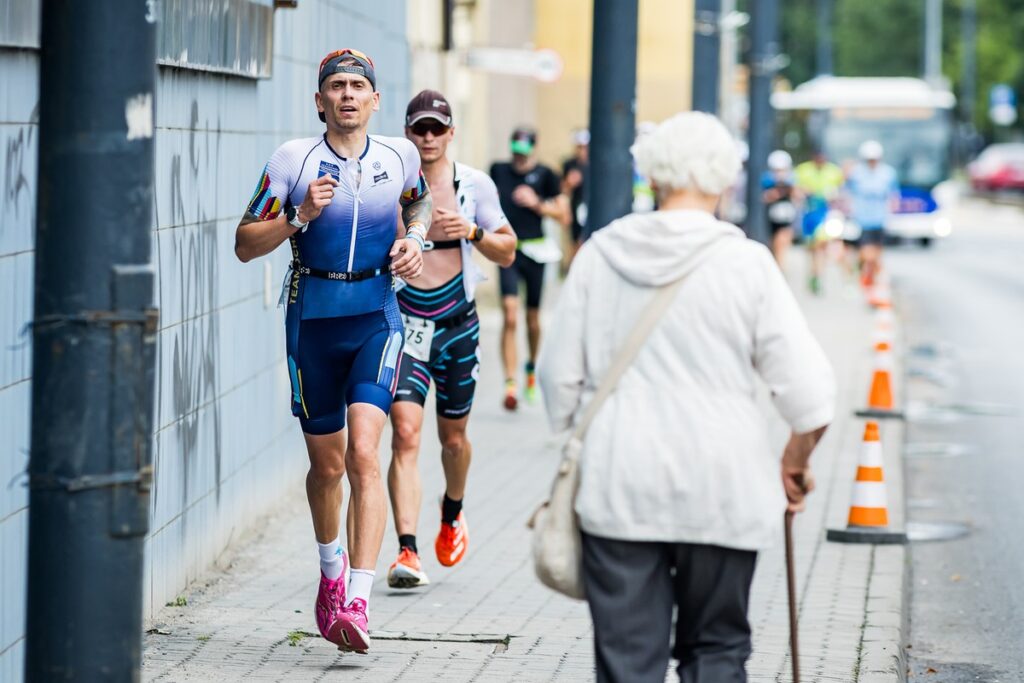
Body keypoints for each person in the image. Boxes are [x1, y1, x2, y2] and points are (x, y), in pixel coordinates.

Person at [537, 111, 835, 683]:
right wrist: (794, 461)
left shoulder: (601, 254)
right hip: (722, 485)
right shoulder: (746, 263)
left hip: (619, 482)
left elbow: (558, 382)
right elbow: (811, 392)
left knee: (627, 661)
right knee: (717, 651)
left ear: (651, 174)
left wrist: (580, 428)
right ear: (725, 180)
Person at [234, 48, 432, 654]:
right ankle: (330, 574)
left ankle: (357, 600)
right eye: (336, 87)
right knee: (327, 466)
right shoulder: (293, 161)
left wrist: (417, 238)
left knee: (366, 453)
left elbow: (418, 199)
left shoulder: (398, 155)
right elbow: (245, 243)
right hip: (313, 320)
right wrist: (298, 216)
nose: (348, 95)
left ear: (375, 101)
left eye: (358, 86)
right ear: (319, 101)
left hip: (377, 315)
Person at [386, 90, 517, 588]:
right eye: (419, 129)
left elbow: (508, 251)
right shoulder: (393, 183)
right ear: (407, 132)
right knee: (405, 433)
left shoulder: (473, 185)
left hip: (458, 324)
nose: (428, 138)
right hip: (407, 320)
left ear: (450, 133)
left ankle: (452, 510)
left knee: (454, 439)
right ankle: (407, 550)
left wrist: (472, 232)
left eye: (436, 129)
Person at [490, 127, 569, 410]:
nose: (518, 158)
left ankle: (531, 369)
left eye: (524, 153)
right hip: (508, 250)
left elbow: (563, 214)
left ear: (533, 150)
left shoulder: (546, 175)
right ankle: (510, 384)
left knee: (532, 320)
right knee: (510, 315)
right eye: (515, 151)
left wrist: (537, 204)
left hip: (536, 251)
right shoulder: (498, 170)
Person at [845, 140, 899, 287]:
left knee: (877, 254)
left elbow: (894, 195)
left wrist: (893, 212)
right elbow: (846, 192)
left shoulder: (888, 173)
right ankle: (867, 276)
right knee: (866, 254)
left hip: (880, 219)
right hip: (862, 220)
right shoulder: (856, 173)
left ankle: (873, 282)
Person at [794, 149, 845, 294]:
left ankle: (818, 276)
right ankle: (813, 274)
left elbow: (842, 190)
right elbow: (796, 190)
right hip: (808, 214)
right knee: (811, 249)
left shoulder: (834, 171)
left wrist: (834, 195)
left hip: (825, 213)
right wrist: (803, 191)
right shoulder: (803, 170)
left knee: (820, 246)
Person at [762, 149, 801, 269]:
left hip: (786, 219)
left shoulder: (792, 179)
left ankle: (779, 270)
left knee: (782, 244)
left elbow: (798, 196)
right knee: (772, 247)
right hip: (770, 220)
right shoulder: (766, 180)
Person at [562, 128, 590, 258]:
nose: (582, 151)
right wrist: (569, 183)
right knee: (576, 241)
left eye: (585, 147)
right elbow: (563, 191)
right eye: (580, 147)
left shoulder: (595, 164)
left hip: (591, 207)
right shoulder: (570, 164)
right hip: (576, 207)